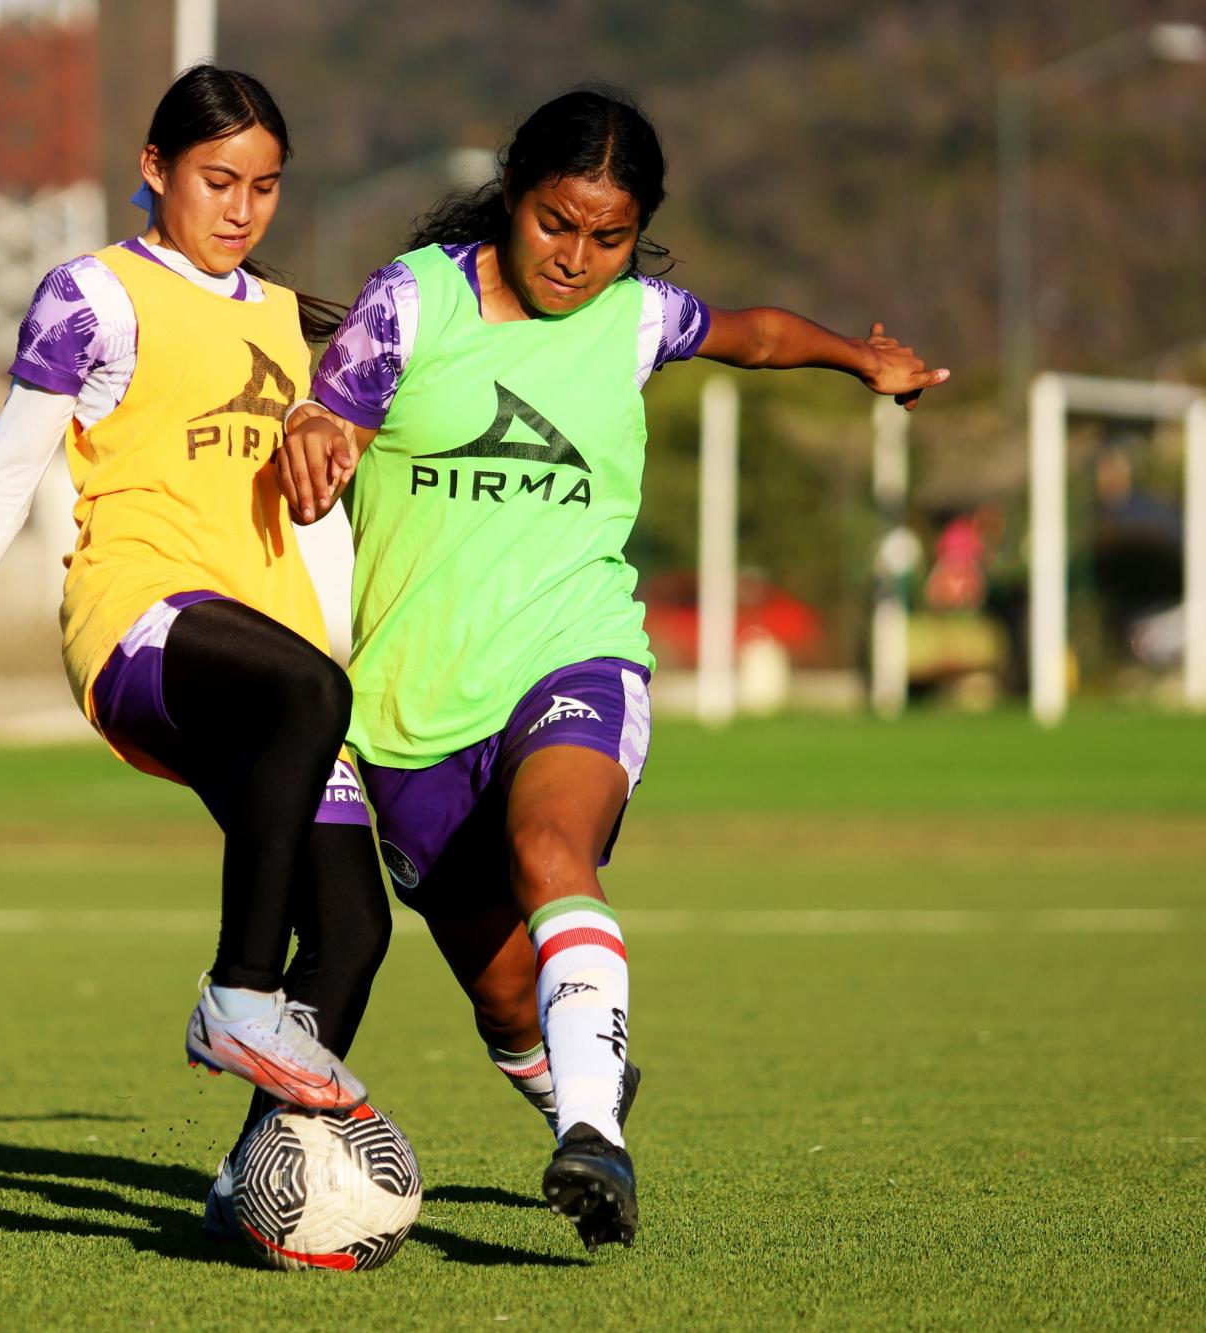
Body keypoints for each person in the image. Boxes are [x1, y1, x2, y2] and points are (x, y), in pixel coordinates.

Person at [276, 87, 948, 1253]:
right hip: (408, 706)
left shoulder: (639, 318)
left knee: (554, 851)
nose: (577, 258)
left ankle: (592, 1136)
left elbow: (756, 334)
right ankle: (583, 1087)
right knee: (499, 993)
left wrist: (859, 359)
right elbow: (324, 413)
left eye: (607, 236)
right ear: (512, 193)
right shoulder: (412, 299)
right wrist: (316, 430)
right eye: (552, 223)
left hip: (570, 649)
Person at [0, 68, 391, 1155]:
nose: (241, 208)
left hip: (268, 668)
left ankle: (259, 1178)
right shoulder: (93, 294)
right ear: (154, 171)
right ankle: (235, 992)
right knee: (311, 689)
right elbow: (5, 473)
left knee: (349, 931)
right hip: (141, 623)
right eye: (217, 180)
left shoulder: (295, 326)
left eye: (265, 186)